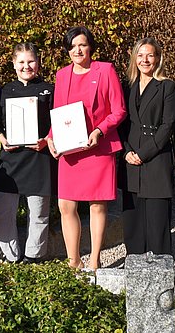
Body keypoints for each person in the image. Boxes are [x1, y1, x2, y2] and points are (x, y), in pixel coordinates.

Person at [47, 26, 126, 270]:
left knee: (97, 204)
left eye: (82, 44)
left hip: (98, 147)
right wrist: (51, 137)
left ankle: (94, 259)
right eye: (72, 46)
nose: (77, 50)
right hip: (71, 150)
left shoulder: (106, 70)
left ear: (90, 46)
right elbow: (59, 113)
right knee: (65, 205)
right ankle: (73, 260)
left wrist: (100, 130)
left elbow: (119, 110)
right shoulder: (61, 76)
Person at [0, 43, 56, 264]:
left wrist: (47, 140)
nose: (27, 66)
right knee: (0, 211)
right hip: (11, 158)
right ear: (14, 64)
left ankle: (33, 256)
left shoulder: (50, 89)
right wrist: (1, 139)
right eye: (21, 62)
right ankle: (12, 255)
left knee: (38, 213)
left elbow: (59, 121)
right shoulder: (4, 91)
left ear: (38, 62)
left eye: (31, 61)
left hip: (40, 158)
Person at [120, 38, 175, 256]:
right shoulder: (127, 86)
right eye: (141, 55)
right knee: (133, 218)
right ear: (135, 58)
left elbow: (168, 125)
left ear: (158, 58)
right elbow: (122, 122)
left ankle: (160, 265)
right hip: (130, 158)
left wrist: (143, 154)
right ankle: (134, 262)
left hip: (155, 158)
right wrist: (126, 152)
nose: (145, 60)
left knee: (157, 219)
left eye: (150, 55)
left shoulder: (167, 86)